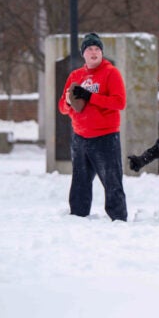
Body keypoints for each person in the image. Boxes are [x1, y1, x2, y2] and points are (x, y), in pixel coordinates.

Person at [58, 33, 128, 221]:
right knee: (80, 181)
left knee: (111, 180)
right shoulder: (76, 76)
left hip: (105, 136)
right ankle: (77, 216)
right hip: (80, 137)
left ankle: (118, 219)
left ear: (102, 53)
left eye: (97, 49)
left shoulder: (111, 73)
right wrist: (67, 103)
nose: (94, 52)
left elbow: (119, 102)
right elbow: (62, 108)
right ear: (83, 54)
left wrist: (90, 96)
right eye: (89, 49)